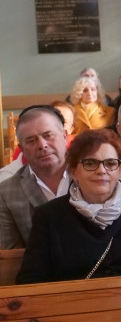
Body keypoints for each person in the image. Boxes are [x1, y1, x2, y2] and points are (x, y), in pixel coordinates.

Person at [16, 129, 121, 284]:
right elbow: (30, 281)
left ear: (119, 170)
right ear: (73, 171)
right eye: (90, 163)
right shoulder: (48, 216)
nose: (101, 171)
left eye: (110, 163)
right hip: (72, 305)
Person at [0, 106, 71, 248]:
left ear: (64, 136)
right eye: (31, 140)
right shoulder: (5, 193)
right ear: (22, 149)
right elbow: (11, 258)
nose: (42, 145)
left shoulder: (96, 173)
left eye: (48, 135)